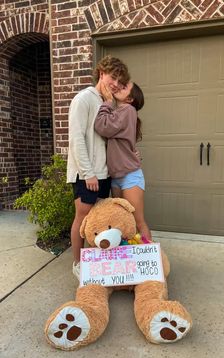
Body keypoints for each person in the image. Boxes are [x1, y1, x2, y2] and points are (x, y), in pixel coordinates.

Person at [67, 55, 130, 280]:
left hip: (104, 174)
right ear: (101, 73)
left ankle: (96, 262)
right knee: (82, 219)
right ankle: (77, 263)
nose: (115, 84)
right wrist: (88, 174)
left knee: (101, 222)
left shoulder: (109, 103)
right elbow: (76, 139)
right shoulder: (84, 98)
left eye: (120, 82)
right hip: (88, 175)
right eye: (113, 77)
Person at [94, 80, 152, 242]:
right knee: (123, 223)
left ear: (129, 99)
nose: (119, 86)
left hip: (130, 176)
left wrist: (106, 102)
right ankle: (129, 260)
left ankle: (150, 262)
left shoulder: (128, 109)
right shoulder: (120, 111)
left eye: (125, 87)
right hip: (116, 177)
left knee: (138, 222)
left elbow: (103, 127)